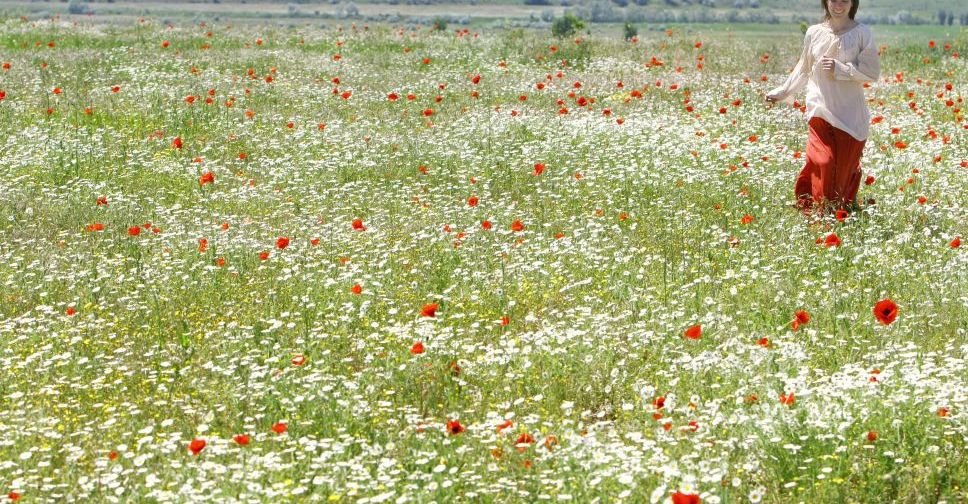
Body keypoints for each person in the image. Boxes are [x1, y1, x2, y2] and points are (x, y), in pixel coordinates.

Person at [766, 0, 880, 215]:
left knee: (843, 169)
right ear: (825, 2)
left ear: (853, 3)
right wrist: (782, 92)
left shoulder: (862, 32)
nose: (838, 5)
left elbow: (872, 72)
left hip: (850, 115)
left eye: (844, 0)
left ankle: (838, 212)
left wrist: (842, 69)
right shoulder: (814, 32)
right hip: (819, 108)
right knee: (824, 161)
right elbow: (803, 68)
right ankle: (817, 211)